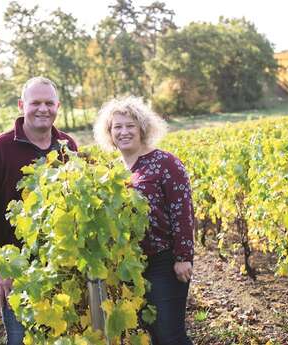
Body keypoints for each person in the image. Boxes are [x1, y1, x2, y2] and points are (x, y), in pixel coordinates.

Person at [0, 76, 78, 345]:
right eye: (36, 103)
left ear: (58, 106)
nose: (43, 109)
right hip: (17, 270)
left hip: (63, 268)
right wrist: (2, 267)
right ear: (22, 105)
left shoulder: (68, 146)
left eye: (49, 103)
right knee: (21, 340)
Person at [94, 96, 194, 345]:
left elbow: (182, 211)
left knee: (170, 335)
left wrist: (183, 257)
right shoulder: (113, 171)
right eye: (117, 127)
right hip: (130, 267)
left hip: (164, 262)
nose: (124, 131)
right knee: (150, 334)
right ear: (109, 133)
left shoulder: (165, 163)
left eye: (130, 125)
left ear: (142, 128)